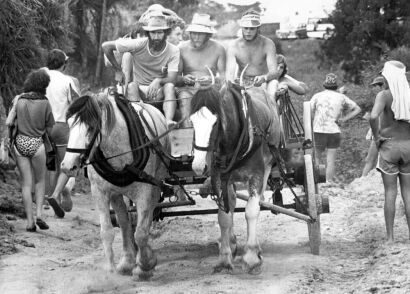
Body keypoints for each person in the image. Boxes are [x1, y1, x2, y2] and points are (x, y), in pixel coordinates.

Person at [102, 12, 180, 127]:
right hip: (139, 92)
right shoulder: (138, 44)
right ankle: (140, 122)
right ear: (148, 33)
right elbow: (106, 46)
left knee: (170, 86)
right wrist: (117, 70)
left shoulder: (173, 50)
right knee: (131, 86)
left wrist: (159, 80)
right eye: (153, 33)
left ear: (165, 33)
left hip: (159, 91)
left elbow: (172, 78)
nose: (156, 37)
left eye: (160, 33)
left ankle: (168, 121)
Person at [6, 69, 55, 231]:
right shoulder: (45, 103)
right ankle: (40, 213)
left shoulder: (18, 100)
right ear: (44, 85)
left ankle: (29, 222)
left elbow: (10, 123)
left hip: (20, 143)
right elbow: (50, 128)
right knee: (40, 181)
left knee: (26, 184)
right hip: (37, 144)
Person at [369, 60, 410, 243]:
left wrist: (377, 137)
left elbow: (372, 116)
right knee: (408, 193)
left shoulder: (384, 95)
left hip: (389, 147)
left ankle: (391, 238)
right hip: (408, 147)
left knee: (390, 193)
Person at [44, 49, 80, 218]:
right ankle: (58, 192)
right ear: (64, 64)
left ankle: (49, 197)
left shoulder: (41, 76)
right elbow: (77, 103)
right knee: (66, 164)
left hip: (42, 127)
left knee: (49, 163)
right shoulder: (68, 81)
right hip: (61, 126)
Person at [176, 13, 226, 127]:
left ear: (208, 35)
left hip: (210, 90)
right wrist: (184, 79)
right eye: (193, 33)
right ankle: (187, 135)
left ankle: (216, 136)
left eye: (200, 34)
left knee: (216, 105)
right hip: (187, 89)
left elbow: (224, 77)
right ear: (189, 33)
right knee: (184, 98)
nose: (196, 37)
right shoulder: (181, 49)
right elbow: (175, 77)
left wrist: (211, 79)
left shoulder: (219, 49)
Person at [310, 73, 361, 182]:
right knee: (331, 160)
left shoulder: (317, 96)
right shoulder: (341, 97)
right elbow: (357, 109)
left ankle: (316, 181)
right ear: (336, 86)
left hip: (319, 130)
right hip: (334, 131)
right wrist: (344, 119)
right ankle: (328, 181)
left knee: (317, 157)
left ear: (324, 85)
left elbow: (309, 112)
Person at [225, 10, 278, 100]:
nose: (248, 31)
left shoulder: (268, 44)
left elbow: (274, 71)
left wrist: (264, 78)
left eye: (252, 28)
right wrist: (231, 83)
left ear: (258, 28)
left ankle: (274, 113)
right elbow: (230, 73)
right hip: (242, 82)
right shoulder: (233, 46)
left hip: (264, 81)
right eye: (245, 28)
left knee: (272, 91)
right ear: (241, 28)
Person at [361, 76, 384, 177]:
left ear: (381, 85)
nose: (373, 88)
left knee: (372, 160)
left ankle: (363, 180)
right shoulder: (380, 97)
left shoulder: (383, 97)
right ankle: (362, 180)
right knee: (370, 159)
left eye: (375, 85)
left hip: (380, 132)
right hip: (378, 131)